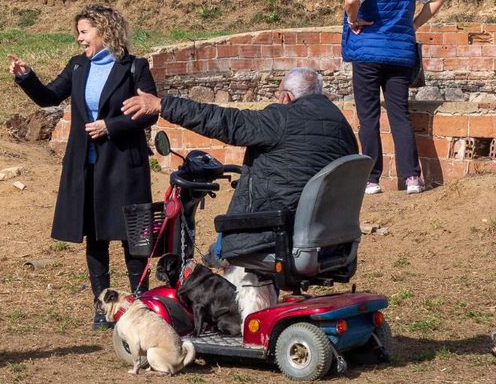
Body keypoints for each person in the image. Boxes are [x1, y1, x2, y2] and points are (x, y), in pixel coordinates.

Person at [9, 4, 158, 329]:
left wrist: (110, 126)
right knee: (96, 237)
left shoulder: (134, 67)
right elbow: (49, 97)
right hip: (86, 167)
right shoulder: (78, 66)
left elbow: (149, 112)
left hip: (124, 167)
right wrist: (25, 76)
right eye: (79, 32)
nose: (79, 38)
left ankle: (141, 306)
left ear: (104, 31)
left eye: (84, 31)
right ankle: (103, 308)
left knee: (133, 238)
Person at [122, 68, 358, 260]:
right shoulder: (341, 125)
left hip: (275, 232)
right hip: (330, 239)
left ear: (286, 97)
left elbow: (226, 122)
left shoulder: (282, 118)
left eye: (278, 96)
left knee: (218, 251)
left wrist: (163, 105)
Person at [342, 0, 444, 195]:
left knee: (369, 117)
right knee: (400, 115)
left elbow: (351, 0)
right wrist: (414, 25)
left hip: (367, 55)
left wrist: (352, 20)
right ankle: (412, 177)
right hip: (400, 55)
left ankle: (372, 179)